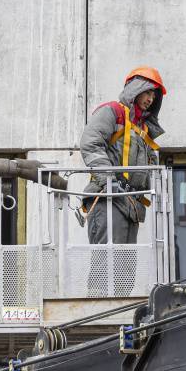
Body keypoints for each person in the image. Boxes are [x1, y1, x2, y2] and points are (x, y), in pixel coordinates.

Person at [78, 67, 166, 295]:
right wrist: (108, 179)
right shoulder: (113, 112)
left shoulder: (142, 128)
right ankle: (96, 311)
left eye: (154, 96)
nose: (151, 99)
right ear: (136, 88)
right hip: (109, 197)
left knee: (126, 267)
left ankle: (119, 312)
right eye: (148, 92)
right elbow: (90, 142)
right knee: (106, 261)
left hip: (131, 205)